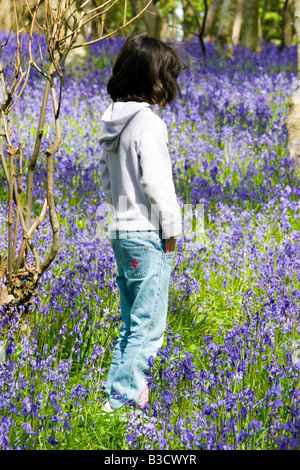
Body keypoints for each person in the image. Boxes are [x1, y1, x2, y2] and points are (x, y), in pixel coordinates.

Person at [99, 33, 183, 412]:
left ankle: (117, 391)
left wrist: (122, 209)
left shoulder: (114, 122)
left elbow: (105, 176)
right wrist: (173, 231)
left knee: (131, 321)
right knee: (148, 328)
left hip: (121, 230)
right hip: (148, 236)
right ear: (155, 83)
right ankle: (123, 400)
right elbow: (157, 184)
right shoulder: (149, 124)